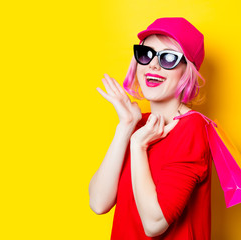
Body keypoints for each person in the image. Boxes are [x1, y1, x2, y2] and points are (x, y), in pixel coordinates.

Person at [89, 17, 212, 240]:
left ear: (188, 70)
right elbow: (98, 203)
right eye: (146, 54)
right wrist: (125, 126)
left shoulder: (193, 128)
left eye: (168, 58)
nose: (153, 65)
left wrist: (138, 146)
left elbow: (154, 224)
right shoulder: (137, 124)